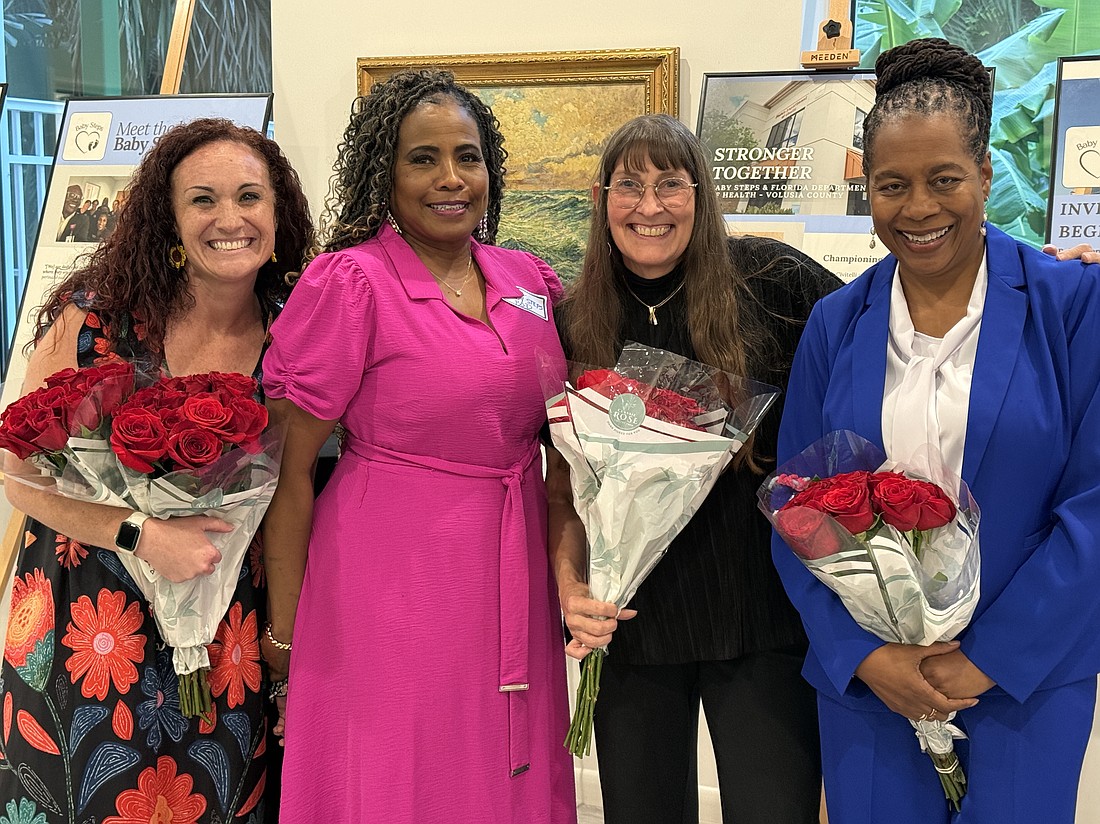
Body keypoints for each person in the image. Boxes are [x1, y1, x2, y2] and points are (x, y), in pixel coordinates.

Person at [771, 38, 1100, 824]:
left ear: (985, 177)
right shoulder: (835, 323)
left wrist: (984, 661)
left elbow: (1092, 507)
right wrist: (867, 658)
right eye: (892, 186)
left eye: (944, 179)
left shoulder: (1071, 306)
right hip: (874, 689)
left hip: (1025, 681)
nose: (918, 208)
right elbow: (794, 506)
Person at [260, 69, 576, 822]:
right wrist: (284, 632)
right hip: (388, 581)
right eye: (423, 158)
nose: (451, 178)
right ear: (386, 173)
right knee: (397, 772)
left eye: (468, 157)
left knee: (506, 771)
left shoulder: (527, 280)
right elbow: (288, 473)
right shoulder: (352, 284)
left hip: (511, 571)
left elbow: (567, 441)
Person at [0, 117, 313, 822]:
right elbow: (15, 472)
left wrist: (288, 644)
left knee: (217, 795)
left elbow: (298, 481)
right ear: (168, 219)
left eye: (249, 198)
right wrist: (140, 533)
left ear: (277, 213)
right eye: (202, 199)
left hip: (226, 610)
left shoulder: (298, 328)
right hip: (90, 609)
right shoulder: (94, 320)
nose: (228, 219)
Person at [548, 113, 842, 824]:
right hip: (633, 626)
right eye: (629, 186)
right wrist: (569, 586)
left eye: (670, 184)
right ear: (600, 199)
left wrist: (1037, 263)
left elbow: (892, 307)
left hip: (762, 617)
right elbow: (562, 482)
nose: (649, 207)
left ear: (701, 195)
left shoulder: (773, 281)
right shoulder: (571, 318)